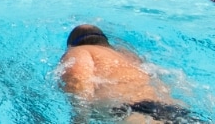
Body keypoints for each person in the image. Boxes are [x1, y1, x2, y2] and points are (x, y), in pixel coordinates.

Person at [57, 24, 200, 123]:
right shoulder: (129, 56)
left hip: (132, 111)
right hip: (174, 109)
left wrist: (80, 119)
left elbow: (77, 80)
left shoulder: (79, 51)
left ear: (71, 45)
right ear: (105, 42)